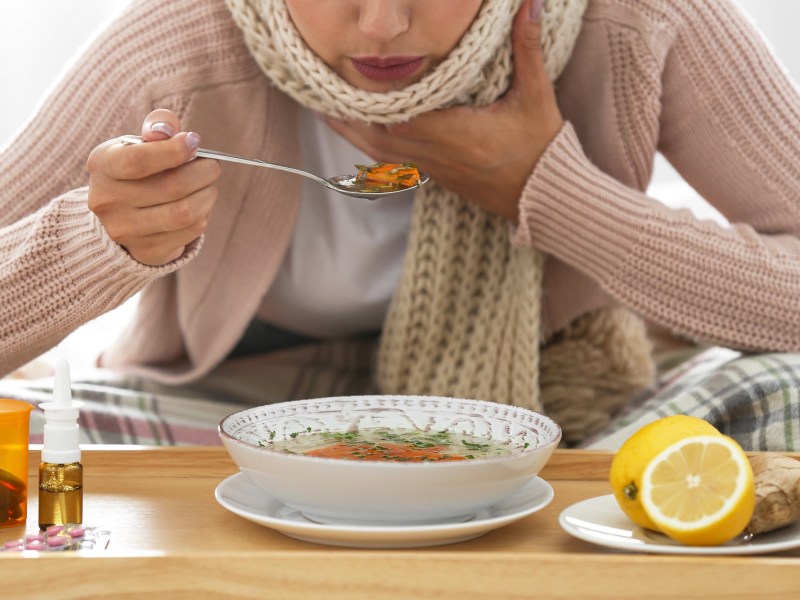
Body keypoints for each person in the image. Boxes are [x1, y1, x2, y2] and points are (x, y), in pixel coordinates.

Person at [0, 0, 798, 448]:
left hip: (553, 402)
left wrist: (549, 191)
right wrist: (97, 241)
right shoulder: (178, 39)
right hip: (234, 402)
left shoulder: (638, 21)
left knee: (785, 393)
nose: (382, 23)